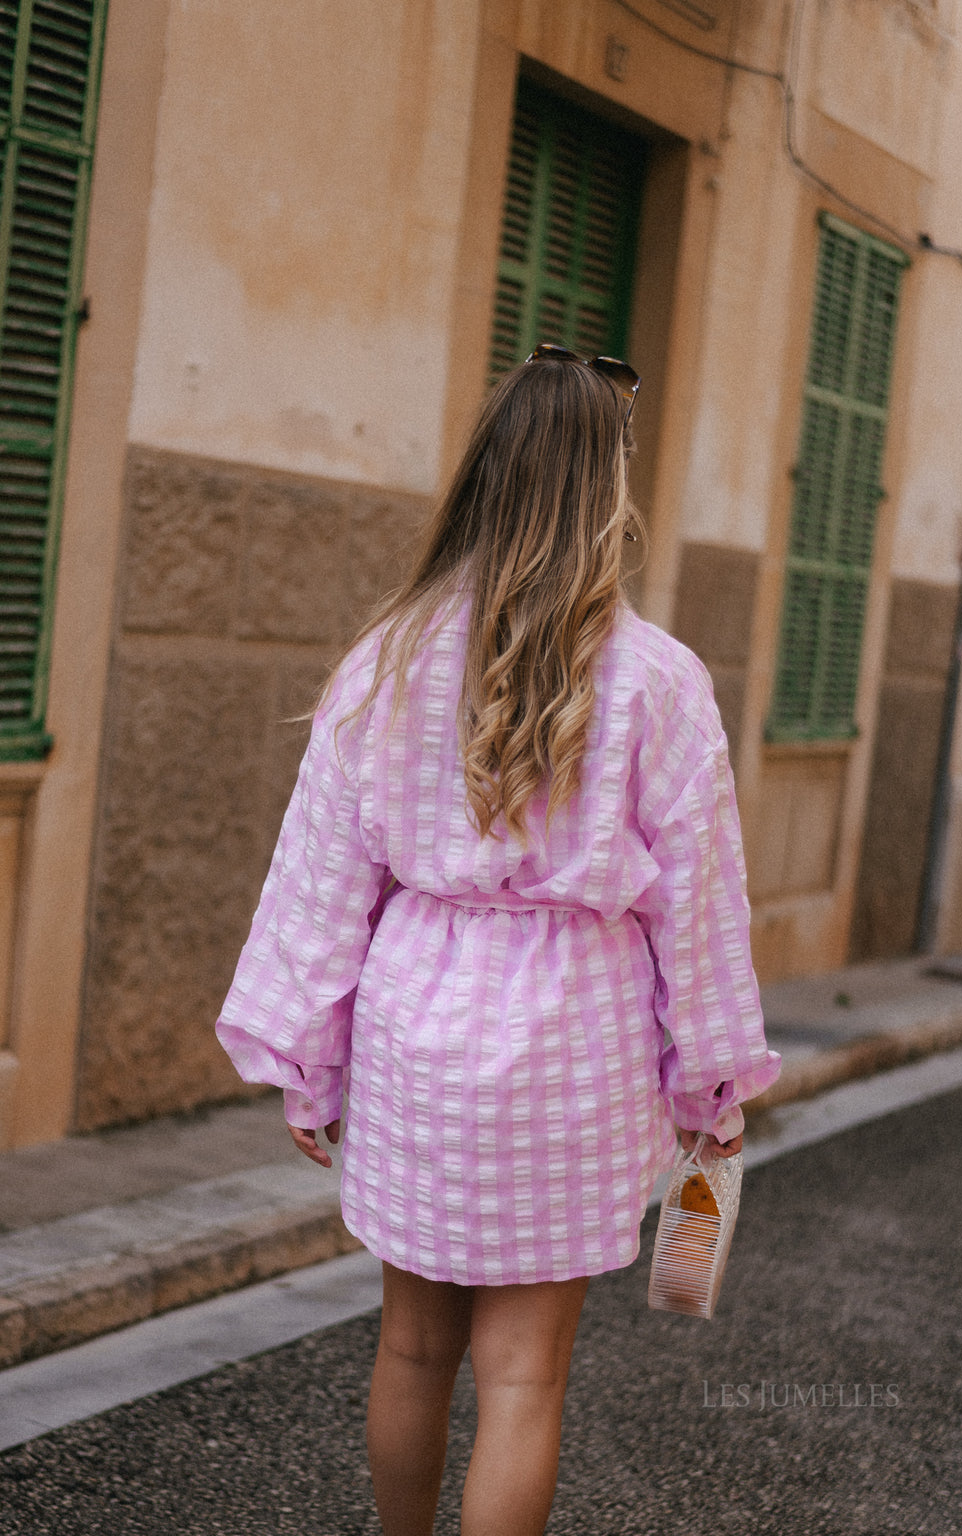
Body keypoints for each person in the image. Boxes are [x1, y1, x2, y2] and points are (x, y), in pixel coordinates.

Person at [216, 344, 780, 1536]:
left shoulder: (389, 658)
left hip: (416, 1024)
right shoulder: (658, 681)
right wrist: (712, 1080)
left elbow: (321, 876)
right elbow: (701, 900)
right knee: (524, 1377)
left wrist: (307, 1060)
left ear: (484, 474)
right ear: (607, 488)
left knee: (413, 1353)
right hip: (575, 1045)